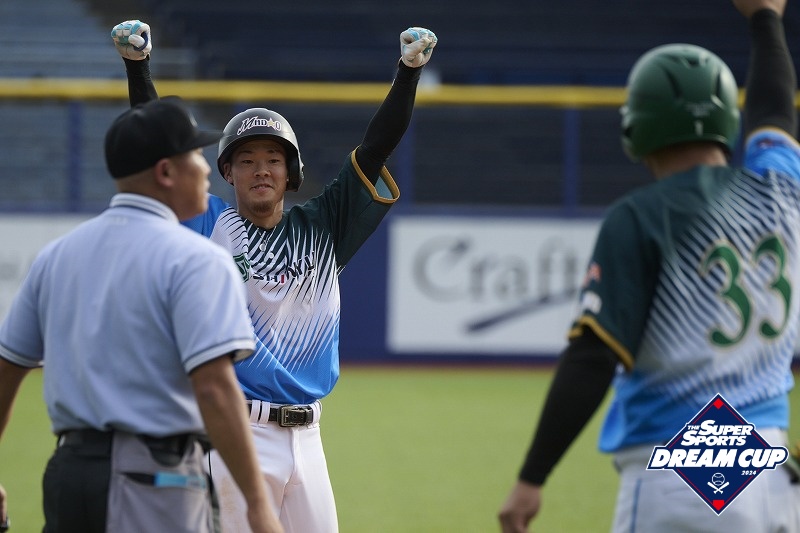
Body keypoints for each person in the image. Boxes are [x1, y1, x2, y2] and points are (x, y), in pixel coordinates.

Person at [111, 19, 437, 532]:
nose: (261, 169)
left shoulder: (325, 226)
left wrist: (408, 72)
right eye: (246, 160)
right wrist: (138, 67)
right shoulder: (209, 225)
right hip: (236, 433)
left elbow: (376, 148)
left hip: (309, 437)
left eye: (273, 159)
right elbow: (162, 151)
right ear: (227, 173)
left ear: (291, 173)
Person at [499, 0, 800, 531]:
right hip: (773, 471)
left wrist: (532, 476)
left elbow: (593, 357)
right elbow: (776, 109)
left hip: (685, 469)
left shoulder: (641, 216)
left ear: (637, 126)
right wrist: (766, 19)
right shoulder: (781, 192)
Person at [0, 97, 282, 533]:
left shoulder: (57, 255)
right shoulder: (198, 259)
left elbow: (6, 369)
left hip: (68, 475)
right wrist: (259, 506)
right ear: (166, 172)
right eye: (195, 156)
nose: (206, 170)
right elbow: (214, 389)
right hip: (153, 479)